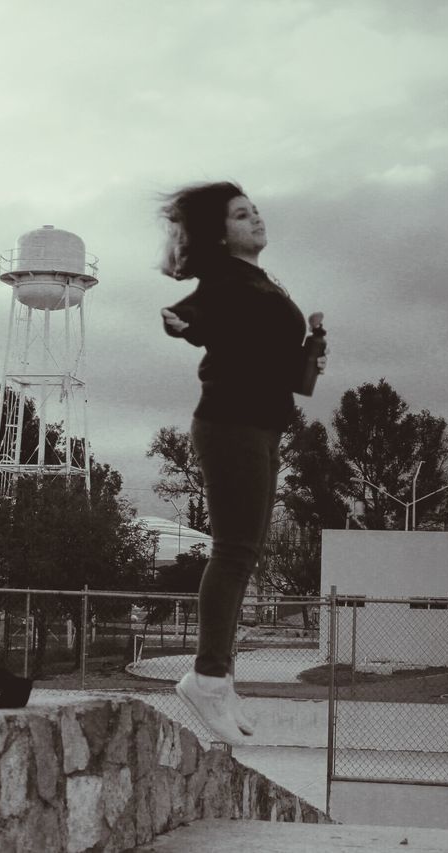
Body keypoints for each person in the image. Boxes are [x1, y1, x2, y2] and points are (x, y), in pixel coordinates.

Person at [158, 181, 326, 744]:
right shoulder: (228, 278)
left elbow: (282, 366)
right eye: (239, 214)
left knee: (243, 553)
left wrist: (311, 349)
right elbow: (197, 312)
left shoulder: (260, 281)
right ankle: (206, 678)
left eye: (254, 211)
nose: (254, 219)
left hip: (261, 424)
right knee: (233, 553)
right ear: (219, 233)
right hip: (231, 425)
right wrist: (185, 324)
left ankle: (219, 678)